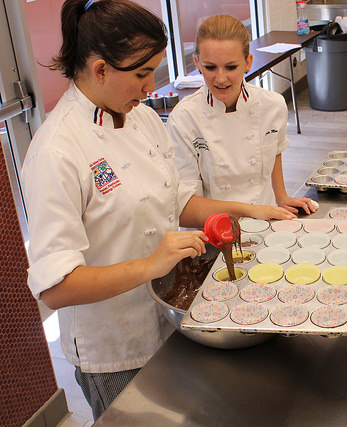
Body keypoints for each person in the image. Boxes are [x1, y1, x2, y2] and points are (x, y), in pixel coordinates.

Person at [21, 0, 293, 420]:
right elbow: (56, 287)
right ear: (100, 69)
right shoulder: (57, 152)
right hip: (115, 345)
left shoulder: (143, 120)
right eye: (143, 74)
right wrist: (152, 264)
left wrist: (253, 210)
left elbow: (176, 204)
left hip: (172, 316)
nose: (151, 87)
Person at [167, 15, 318, 215]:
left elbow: (274, 148)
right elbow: (186, 206)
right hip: (211, 230)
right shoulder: (184, 118)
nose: (220, 78)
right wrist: (250, 211)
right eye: (210, 67)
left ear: (248, 62)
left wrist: (281, 197)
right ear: (197, 63)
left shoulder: (272, 105)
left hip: (264, 220)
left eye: (231, 67)